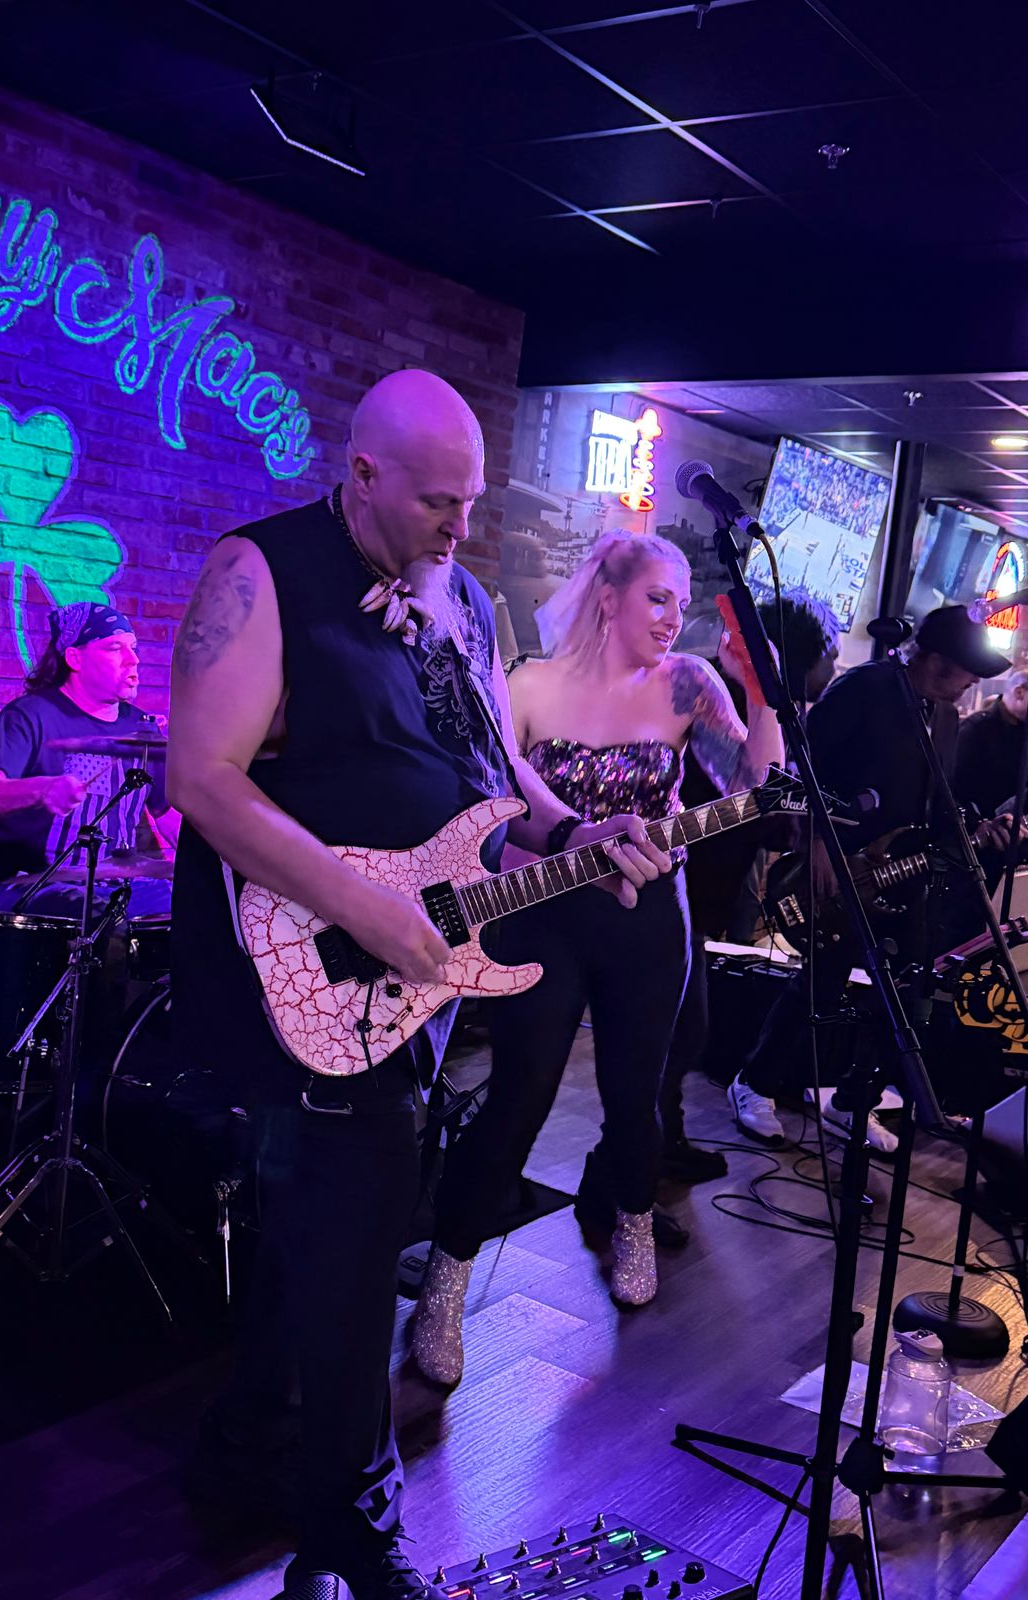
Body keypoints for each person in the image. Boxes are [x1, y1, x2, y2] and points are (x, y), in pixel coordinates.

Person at [165, 371, 670, 1600]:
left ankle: (246, 1445)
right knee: (356, 1231)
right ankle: (353, 1538)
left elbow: (497, 773)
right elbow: (202, 776)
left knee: (324, 1225)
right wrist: (364, 908)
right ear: (363, 473)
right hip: (309, 959)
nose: (460, 524)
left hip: (414, 977)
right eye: (439, 501)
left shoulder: (469, 602)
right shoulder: (263, 570)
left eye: (472, 500)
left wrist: (570, 834)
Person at [410, 530, 783, 1390]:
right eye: (658, 596)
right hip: (540, 912)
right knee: (519, 1096)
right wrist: (574, 833)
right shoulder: (530, 683)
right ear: (608, 597)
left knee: (637, 1092)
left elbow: (754, 787)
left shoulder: (690, 684)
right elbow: (501, 785)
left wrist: (762, 690)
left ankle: (633, 1219)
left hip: (648, 916)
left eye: (682, 602)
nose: (673, 616)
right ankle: (446, 1276)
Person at [727, 604, 1012, 1151]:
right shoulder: (865, 689)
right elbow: (804, 767)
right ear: (934, 660)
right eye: (966, 672)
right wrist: (816, 840)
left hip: (901, 877)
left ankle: (852, 1102)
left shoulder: (945, 718)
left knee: (907, 994)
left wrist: (976, 829)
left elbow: (936, 803)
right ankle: (754, 1082)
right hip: (842, 867)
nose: (972, 684)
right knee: (821, 981)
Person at [660, 587, 840, 1180]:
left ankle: (662, 1140)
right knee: (676, 1030)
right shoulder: (715, 692)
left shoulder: (780, 712)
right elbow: (750, 800)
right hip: (672, 884)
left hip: (701, 890)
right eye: (828, 657)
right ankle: (641, 1160)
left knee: (684, 1029)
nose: (834, 670)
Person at [0, 603, 176, 917]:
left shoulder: (141, 729)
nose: (133, 659)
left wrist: (219, 856)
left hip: (111, 885)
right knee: (95, 918)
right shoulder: (30, 715)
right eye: (114, 648)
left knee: (195, 909)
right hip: (27, 886)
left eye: (133, 648)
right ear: (75, 658)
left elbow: (168, 815)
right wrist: (43, 789)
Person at [954, 668, 1028, 822]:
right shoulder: (977, 728)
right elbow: (956, 789)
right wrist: (978, 823)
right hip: (981, 828)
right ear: (1020, 693)